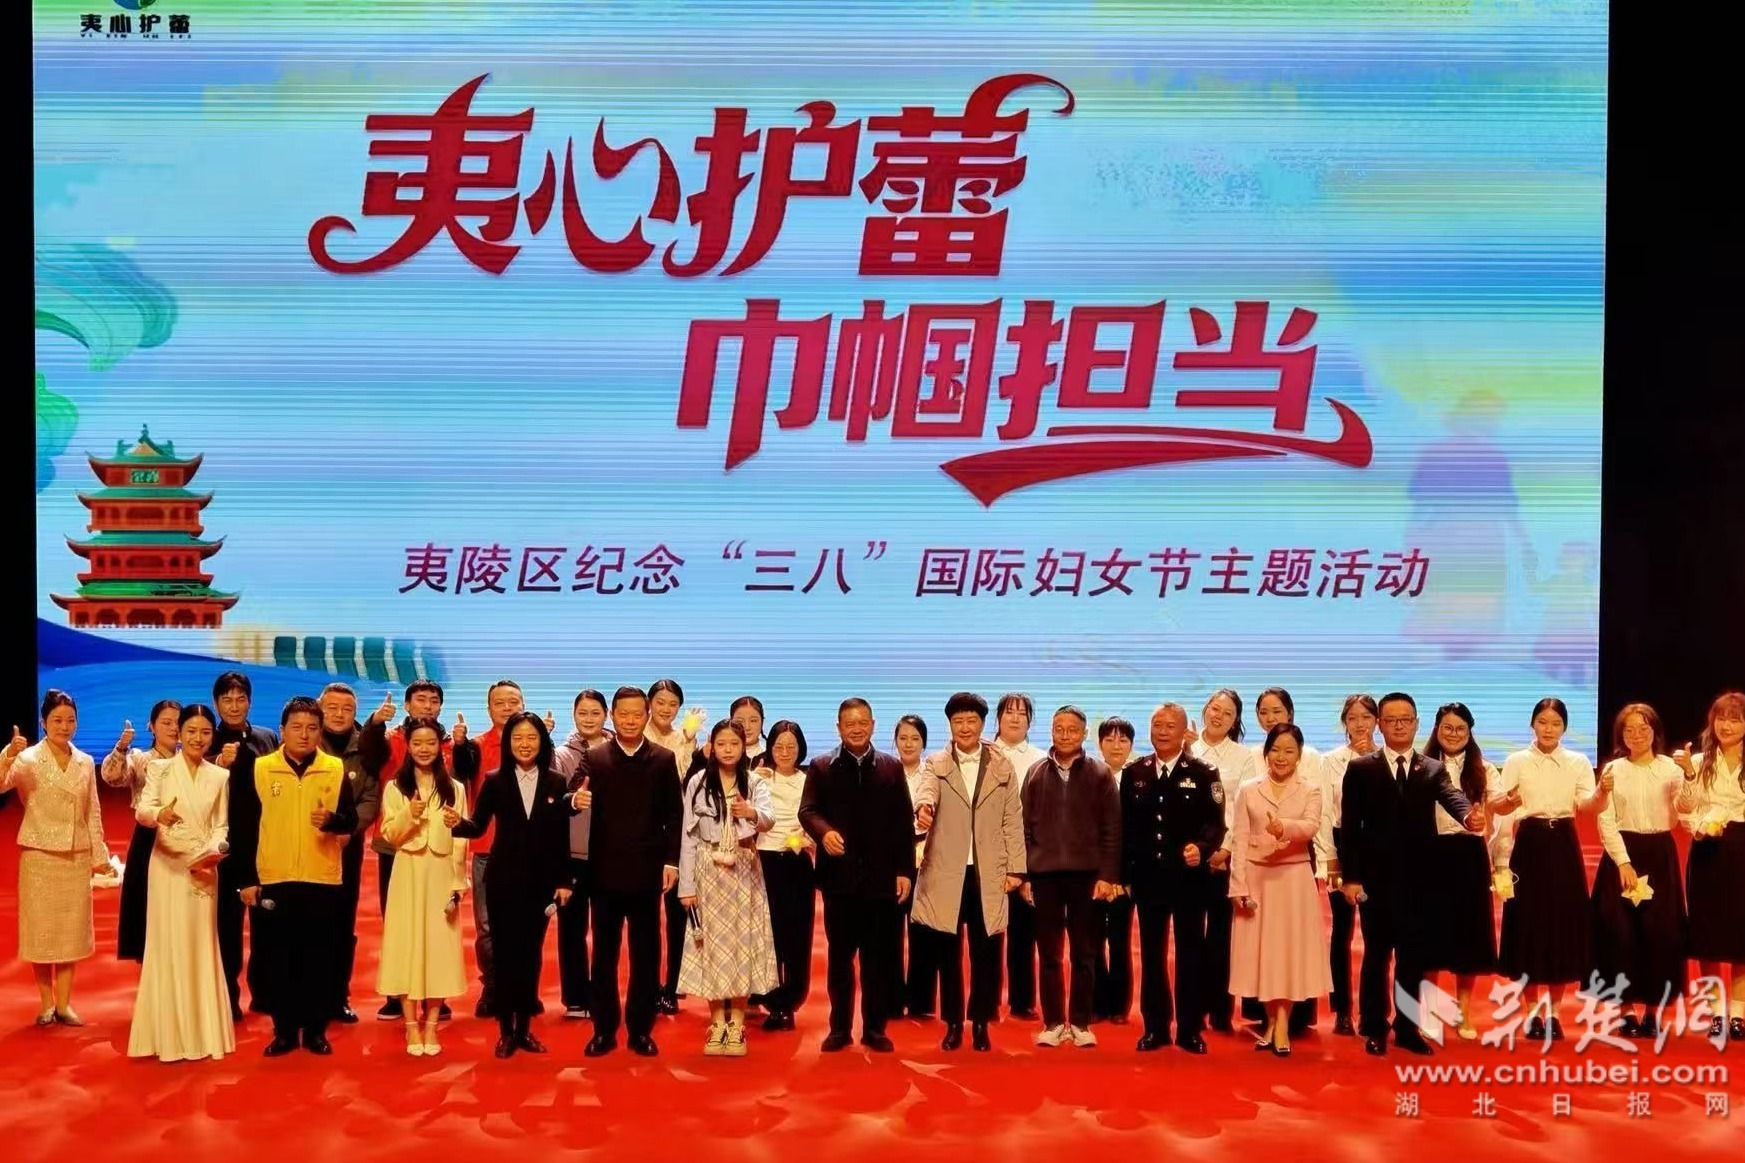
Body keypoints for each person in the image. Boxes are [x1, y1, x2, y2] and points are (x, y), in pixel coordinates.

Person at [1338, 691, 1481, 1056]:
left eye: (1406, 720)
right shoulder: (1361, 768)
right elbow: (1350, 827)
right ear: (1380, 725)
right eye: (1391, 720)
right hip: (1376, 881)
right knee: (1376, 956)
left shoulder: (1431, 768)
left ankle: (1407, 1028)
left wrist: (1468, 816)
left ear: (1417, 724)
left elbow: (1451, 795)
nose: (1399, 726)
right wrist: (1351, 877)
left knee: (1413, 958)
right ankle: (1374, 1026)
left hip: (1421, 881)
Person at [232, 696, 358, 1056]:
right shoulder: (260, 768)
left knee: (318, 956)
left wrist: (333, 821)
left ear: (320, 732)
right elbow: (243, 826)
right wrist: (247, 880)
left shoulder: (334, 768)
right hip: (275, 876)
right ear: (282, 730)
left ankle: (316, 1030)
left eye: (312, 728)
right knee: (278, 957)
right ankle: (284, 1030)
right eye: (297, 727)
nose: (304, 734)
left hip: (321, 877)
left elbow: (350, 820)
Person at [451, 710, 575, 1058]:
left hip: (540, 882)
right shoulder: (494, 780)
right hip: (502, 880)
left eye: (531, 737)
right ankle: (505, 1031)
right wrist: (454, 822)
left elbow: (560, 836)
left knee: (531, 955)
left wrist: (564, 880)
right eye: (517, 738)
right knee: (505, 956)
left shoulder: (555, 781)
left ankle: (524, 1029)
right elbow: (477, 826)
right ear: (508, 743)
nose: (524, 744)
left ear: (542, 742)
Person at [911, 693, 1025, 1053]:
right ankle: (953, 1023)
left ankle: (980, 1022)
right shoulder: (937, 763)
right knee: (947, 953)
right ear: (950, 724)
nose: (965, 727)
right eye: (958, 721)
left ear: (982, 723)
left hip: (989, 872)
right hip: (948, 870)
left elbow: (1012, 819)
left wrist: (1016, 869)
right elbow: (926, 792)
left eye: (971, 720)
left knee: (986, 952)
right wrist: (923, 808)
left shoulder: (1002, 765)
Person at [799, 697, 915, 1053]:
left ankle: (875, 1029)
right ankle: (839, 1028)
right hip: (840, 881)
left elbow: (903, 823)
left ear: (873, 725)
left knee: (877, 959)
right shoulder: (822, 766)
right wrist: (824, 833)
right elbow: (807, 810)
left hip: (881, 880)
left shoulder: (891, 768)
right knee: (840, 959)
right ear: (838, 728)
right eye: (849, 723)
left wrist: (904, 871)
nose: (856, 728)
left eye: (863, 722)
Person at [577, 686, 683, 1058]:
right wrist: (575, 799)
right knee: (603, 955)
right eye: (623, 713)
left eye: (638, 714)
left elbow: (675, 814)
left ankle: (640, 1030)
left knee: (646, 955)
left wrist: (672, 862)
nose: (630, 720)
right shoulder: (595, 757)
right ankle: (604, 1030)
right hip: (603, 874)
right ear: (612, 716)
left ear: (647, 716)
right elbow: (572, 796)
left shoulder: (664, 759)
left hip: (647, 873)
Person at [127, 703, 235, 1062]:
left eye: (205, 732)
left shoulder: (219, 776)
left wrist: (213, 851)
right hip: (166, 867)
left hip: (203, 870)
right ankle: (167, 1035)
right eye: (191, 731)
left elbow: (221, 825)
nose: (198, 738)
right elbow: (143, 811)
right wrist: (160, 814)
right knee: (167, 942)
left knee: (199, 943)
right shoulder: (159, 769)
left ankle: (203, 1032)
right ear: (180, 733)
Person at [1, 691, 111, 1026]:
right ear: (43, 722)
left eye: (70, 720)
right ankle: (46, 1003)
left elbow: (92, 811)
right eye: (57, 720)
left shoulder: (84, 761)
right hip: (40, 855)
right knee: (42, 933)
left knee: (69, 933)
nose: (65, 726)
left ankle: (64, 1004)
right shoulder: (28, 759)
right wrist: (8, 754)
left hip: (75, 856)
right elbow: (1, 783)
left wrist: (98, 855)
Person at [1122, 703, 1226, 1053]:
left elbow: (1216, 824)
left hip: (1189, 881)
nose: (1162, 731)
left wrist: (1202, 848)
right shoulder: (1135, 772)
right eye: (1157, 725)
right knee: (1152, 956)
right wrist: (1125, 875)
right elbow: (1127, 829)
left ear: (1185, 732)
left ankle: (1189, 1029)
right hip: (1149, 879)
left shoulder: (1203, 772)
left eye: (1170, 726)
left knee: (1190, 954)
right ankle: (1155, 1027)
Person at [1496, 697, 1601, 1041]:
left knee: (1562, 925)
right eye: (1542, 722)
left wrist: (1602, 793)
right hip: (1529, 843)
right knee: (1528, 925)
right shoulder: (1516, 761)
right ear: (1532, 724)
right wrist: (1501, 861)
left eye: (1556, 723)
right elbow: (1506, 813)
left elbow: (1587, 805)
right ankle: (1532, 1014)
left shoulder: (1578, 762)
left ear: (1565, 727)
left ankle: (1554, 1014)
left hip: (1564, 844)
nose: (1548, 729)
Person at [359, 678, 457, 1022]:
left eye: (434, 700)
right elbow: (369, 754)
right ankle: (397, 992)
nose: (427, 705)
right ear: (406, 704)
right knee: (399, 921)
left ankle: (435, 993)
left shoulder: (449, 742)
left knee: (438, 924)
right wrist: (375, 722)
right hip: (396, 845)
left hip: (439, 848)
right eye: (420, 699)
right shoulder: (391, 738)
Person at [1229, 724, 1331, 1057]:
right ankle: (1271, 1019)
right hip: (1256, 877)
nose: (1281, 757)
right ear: (1266, 753)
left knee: (1288, 952)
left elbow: (1311, 826)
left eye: (1289, 750)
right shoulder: (1249, 789)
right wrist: (1238, 885)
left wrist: (1282, 827)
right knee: (1262, 953)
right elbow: (1240, 839)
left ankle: (1282, 1022)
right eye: (1275, 750)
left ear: (1299, 755)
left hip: (1293, 878)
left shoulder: (1310, 789)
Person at [678, 720, 778, 1056]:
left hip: (744, 869)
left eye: (734, 744)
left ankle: (737, 1023)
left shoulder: (755, 780)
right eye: (721, 744)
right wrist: (686, 886)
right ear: (712, 746)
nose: (728, 750)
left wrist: (751, 812)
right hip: (707, 870)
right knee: (712, 947)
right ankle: (716, 1022)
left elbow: (769, 819)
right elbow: (688, 837)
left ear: (743, 746)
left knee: (741, 944)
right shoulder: (697, 782)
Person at [1024, 706, 1121, 1048]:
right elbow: (1024, 829)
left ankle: (1080, 1022)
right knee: (1049, 954)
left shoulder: (1100, 773)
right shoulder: (1036, 773)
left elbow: (1112, 829)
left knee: (1085, 954)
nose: (1065, 735)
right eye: (1058, 728)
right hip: (1044, 877)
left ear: (1084, 734)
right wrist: (1025, 876)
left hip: (1087, 877)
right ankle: (1052, 1022)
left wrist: (1107, 875)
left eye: (1072, 730)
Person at [375, 718, 469, 1057]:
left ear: (440, 746)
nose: (424, 749)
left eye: (430, 743)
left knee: (438, 947)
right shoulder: (395, 787)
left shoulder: (455, 788)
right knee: (407, 944)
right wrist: (409, 815)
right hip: (408, 871)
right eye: (417, 743)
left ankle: (431, 1024)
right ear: (408, 746)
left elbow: (461, 839)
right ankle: (411, 1024)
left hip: (441, 872)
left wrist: (458, 883)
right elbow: (390, 835)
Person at [1592, 703, 1686, 1038]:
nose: (1636, 735)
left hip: (1659, 854)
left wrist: (1689, 778)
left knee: (1660, 934)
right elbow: (1605, 819)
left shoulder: (1671, 769)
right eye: (1629, 729)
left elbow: (1685, 810)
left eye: (1643, 728)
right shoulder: (1613, 769)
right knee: (1620, 934)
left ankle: (1653, 1012)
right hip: (1622, 856)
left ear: (1655, 731)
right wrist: (1623, 861)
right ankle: (1626, 1010)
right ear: (1621, 735)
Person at [1421, 703, 1502, 1040]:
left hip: (1469, 856)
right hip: (1430, 854)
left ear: (1470, 732)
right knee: (1429, 936)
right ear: (1437, 729)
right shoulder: (1421, 764)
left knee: (1470, 935)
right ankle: (1428, 1011)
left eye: (1460, 729)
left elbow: (1499, 812)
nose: (1453, 734)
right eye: (1447, 728)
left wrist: (1500, 859)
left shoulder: (1484, 769)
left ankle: (1463, 1013)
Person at [1249, 687, 1325, 1035]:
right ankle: (1266, 1017)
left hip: (1296, 859)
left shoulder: (1311, 758)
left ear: (1290, 713)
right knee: (1263, 945)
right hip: (1258, 862)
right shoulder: (1252, 757)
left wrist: (1324, 856)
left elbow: (1317, 816)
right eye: (1264, 712)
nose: (1270, 718)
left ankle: (1292, 1020)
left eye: (1277, 711)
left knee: (1293, 942)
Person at [452, 678, 527, 1018]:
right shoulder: (476, 746)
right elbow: (459, 771)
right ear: (489, 709)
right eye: (500, 703)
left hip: (526, 852)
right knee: (487, 926)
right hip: (486, 850)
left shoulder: (534, 745)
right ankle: (493, 987)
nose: (507, 708)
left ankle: (521, 988)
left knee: (524, 924)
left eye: (514, 702)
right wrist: (459, 745)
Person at [1673, 690, 1745, 1041]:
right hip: (1708, 852)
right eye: (1721, 718)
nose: (1726, 726)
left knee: (1741, 934)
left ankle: (1739, 1014)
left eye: (1735, 719)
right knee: (1709, 934)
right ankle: (1717, 1012)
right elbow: (1684, 808)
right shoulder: (1700, 761)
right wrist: (1688, 774)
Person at [212, 671, 279, 1022]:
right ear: (216, 704)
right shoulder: (207, 740)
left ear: (250, 702)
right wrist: (217, 762)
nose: (234, 706)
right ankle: (227, 996)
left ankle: (265, 993)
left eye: (240, 699)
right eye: (227, 699)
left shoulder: (267, 738)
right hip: (225, 849)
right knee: (227, 928)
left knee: (267, 925)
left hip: (263, 843)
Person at [315, 682, 381, 1024]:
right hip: (306, 845)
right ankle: (305, 996)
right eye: (332, 708)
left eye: (347, 709)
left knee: (342, 923)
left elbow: (370, 797)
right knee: (308, 922)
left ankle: (337, 996)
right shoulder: (306, 742)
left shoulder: (364, 749)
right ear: (319, 709)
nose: (339, 715)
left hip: (347, 848)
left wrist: (349, 831)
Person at [1194, 688, 1257, 1034]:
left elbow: (1243, 808)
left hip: (1223, 857)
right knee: (1190, 936)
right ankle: (1191, 1009)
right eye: (1215, 709)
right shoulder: (1187, 749)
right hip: (1188, 856)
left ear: (1235, 722)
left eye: (1228, 713)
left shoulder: (1244, 757)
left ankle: (1220, 1010)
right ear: (1205, 710)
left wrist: (1226, 849)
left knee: (1221, 936)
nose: (1218, 716)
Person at [103, 699, 181, 963]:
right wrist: (121, 747)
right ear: (151, 726)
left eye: (177, 722)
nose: (173, 728)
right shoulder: (139, 758)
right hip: (149, 839)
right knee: (147, 907)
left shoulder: (189, 760)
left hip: (183, 840)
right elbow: (112, 777)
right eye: (166, 722)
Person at [1318, 693, 1377, 1036]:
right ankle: (1342, 1009)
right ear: (1344, 723)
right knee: (1342, 932)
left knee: (1376, 934)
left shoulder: (1387, 759)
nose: (1360, 724)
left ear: (1377, 721)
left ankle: (1372, 1011)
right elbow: (1326, 812)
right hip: (1343, 845)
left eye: (1366, 717)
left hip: (1378, 850)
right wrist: (1331, 857)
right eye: (1353, 718)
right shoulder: (1331, 761)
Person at [644, 677, 704, 1015]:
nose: (666, 709)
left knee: (677, 916)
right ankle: (649, 984)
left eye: (673, 704)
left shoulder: (685, 739)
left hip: (679, 835)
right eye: (660, 702)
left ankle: (672, 985)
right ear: (649, 704)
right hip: (643, 837)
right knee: (645, 919)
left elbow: (683, 782)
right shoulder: (638, 735)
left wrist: (691, 742)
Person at [553, 688, 611, 1020]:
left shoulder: (618, 751)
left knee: (606, 930)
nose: (589, 719)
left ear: (606, 715)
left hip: (608, 853)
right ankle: (575, 997)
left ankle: (602, 994)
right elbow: (555, 806)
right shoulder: (561, 755)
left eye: (595, 713)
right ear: (573, 716)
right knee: (572, 928)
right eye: (582, 713)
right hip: (573, 853)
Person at [752, 720, 814, 1032]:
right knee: (767, 935)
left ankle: (789, 1002)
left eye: (791, 746)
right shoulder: (758, 777)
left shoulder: (810, 780)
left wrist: (806, 838)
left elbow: (818, 817)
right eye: (779, 746)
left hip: (797, 861)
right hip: (763, 861)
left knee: (796, 937)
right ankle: (767, 998)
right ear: (770, 748)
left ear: (800, 748)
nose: (785, 752)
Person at [991, 693, 1046, 1020]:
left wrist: (1029, 870)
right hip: (985, 857)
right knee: (987, 934)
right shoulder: (982, 754)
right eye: (1008, 713)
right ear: (997, 719)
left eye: (1022, 713)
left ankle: (1022, 1001)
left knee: (1024, 934)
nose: (1015, 718)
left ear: (1029, 721)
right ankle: (986, 1001)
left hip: (1025, 858)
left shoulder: (1041, 760)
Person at [1092, 717, 1137, 1025]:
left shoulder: (1139, 779)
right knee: (1092, 942)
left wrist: (1123, 879)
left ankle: (1119, 1006)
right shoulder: (1090, 776)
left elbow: (1138, 836)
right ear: (1099, 744)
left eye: (1123, 740)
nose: (1116, 746)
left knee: (1119, 943)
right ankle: (1097, 1003)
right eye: (1109, 739)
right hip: (1093, 876)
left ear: (1131, 745)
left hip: (1125, 880)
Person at [894, 714, 938, 1020]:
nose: (908, 744)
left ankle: (921, 1001)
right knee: (889, 932)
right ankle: (892, 998)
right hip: (892, 859)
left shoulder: (932, 774)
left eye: (915, 739)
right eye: (903, 738)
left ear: (923, 743)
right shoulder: (885, 771)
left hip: (926, 856)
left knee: (923, 930)